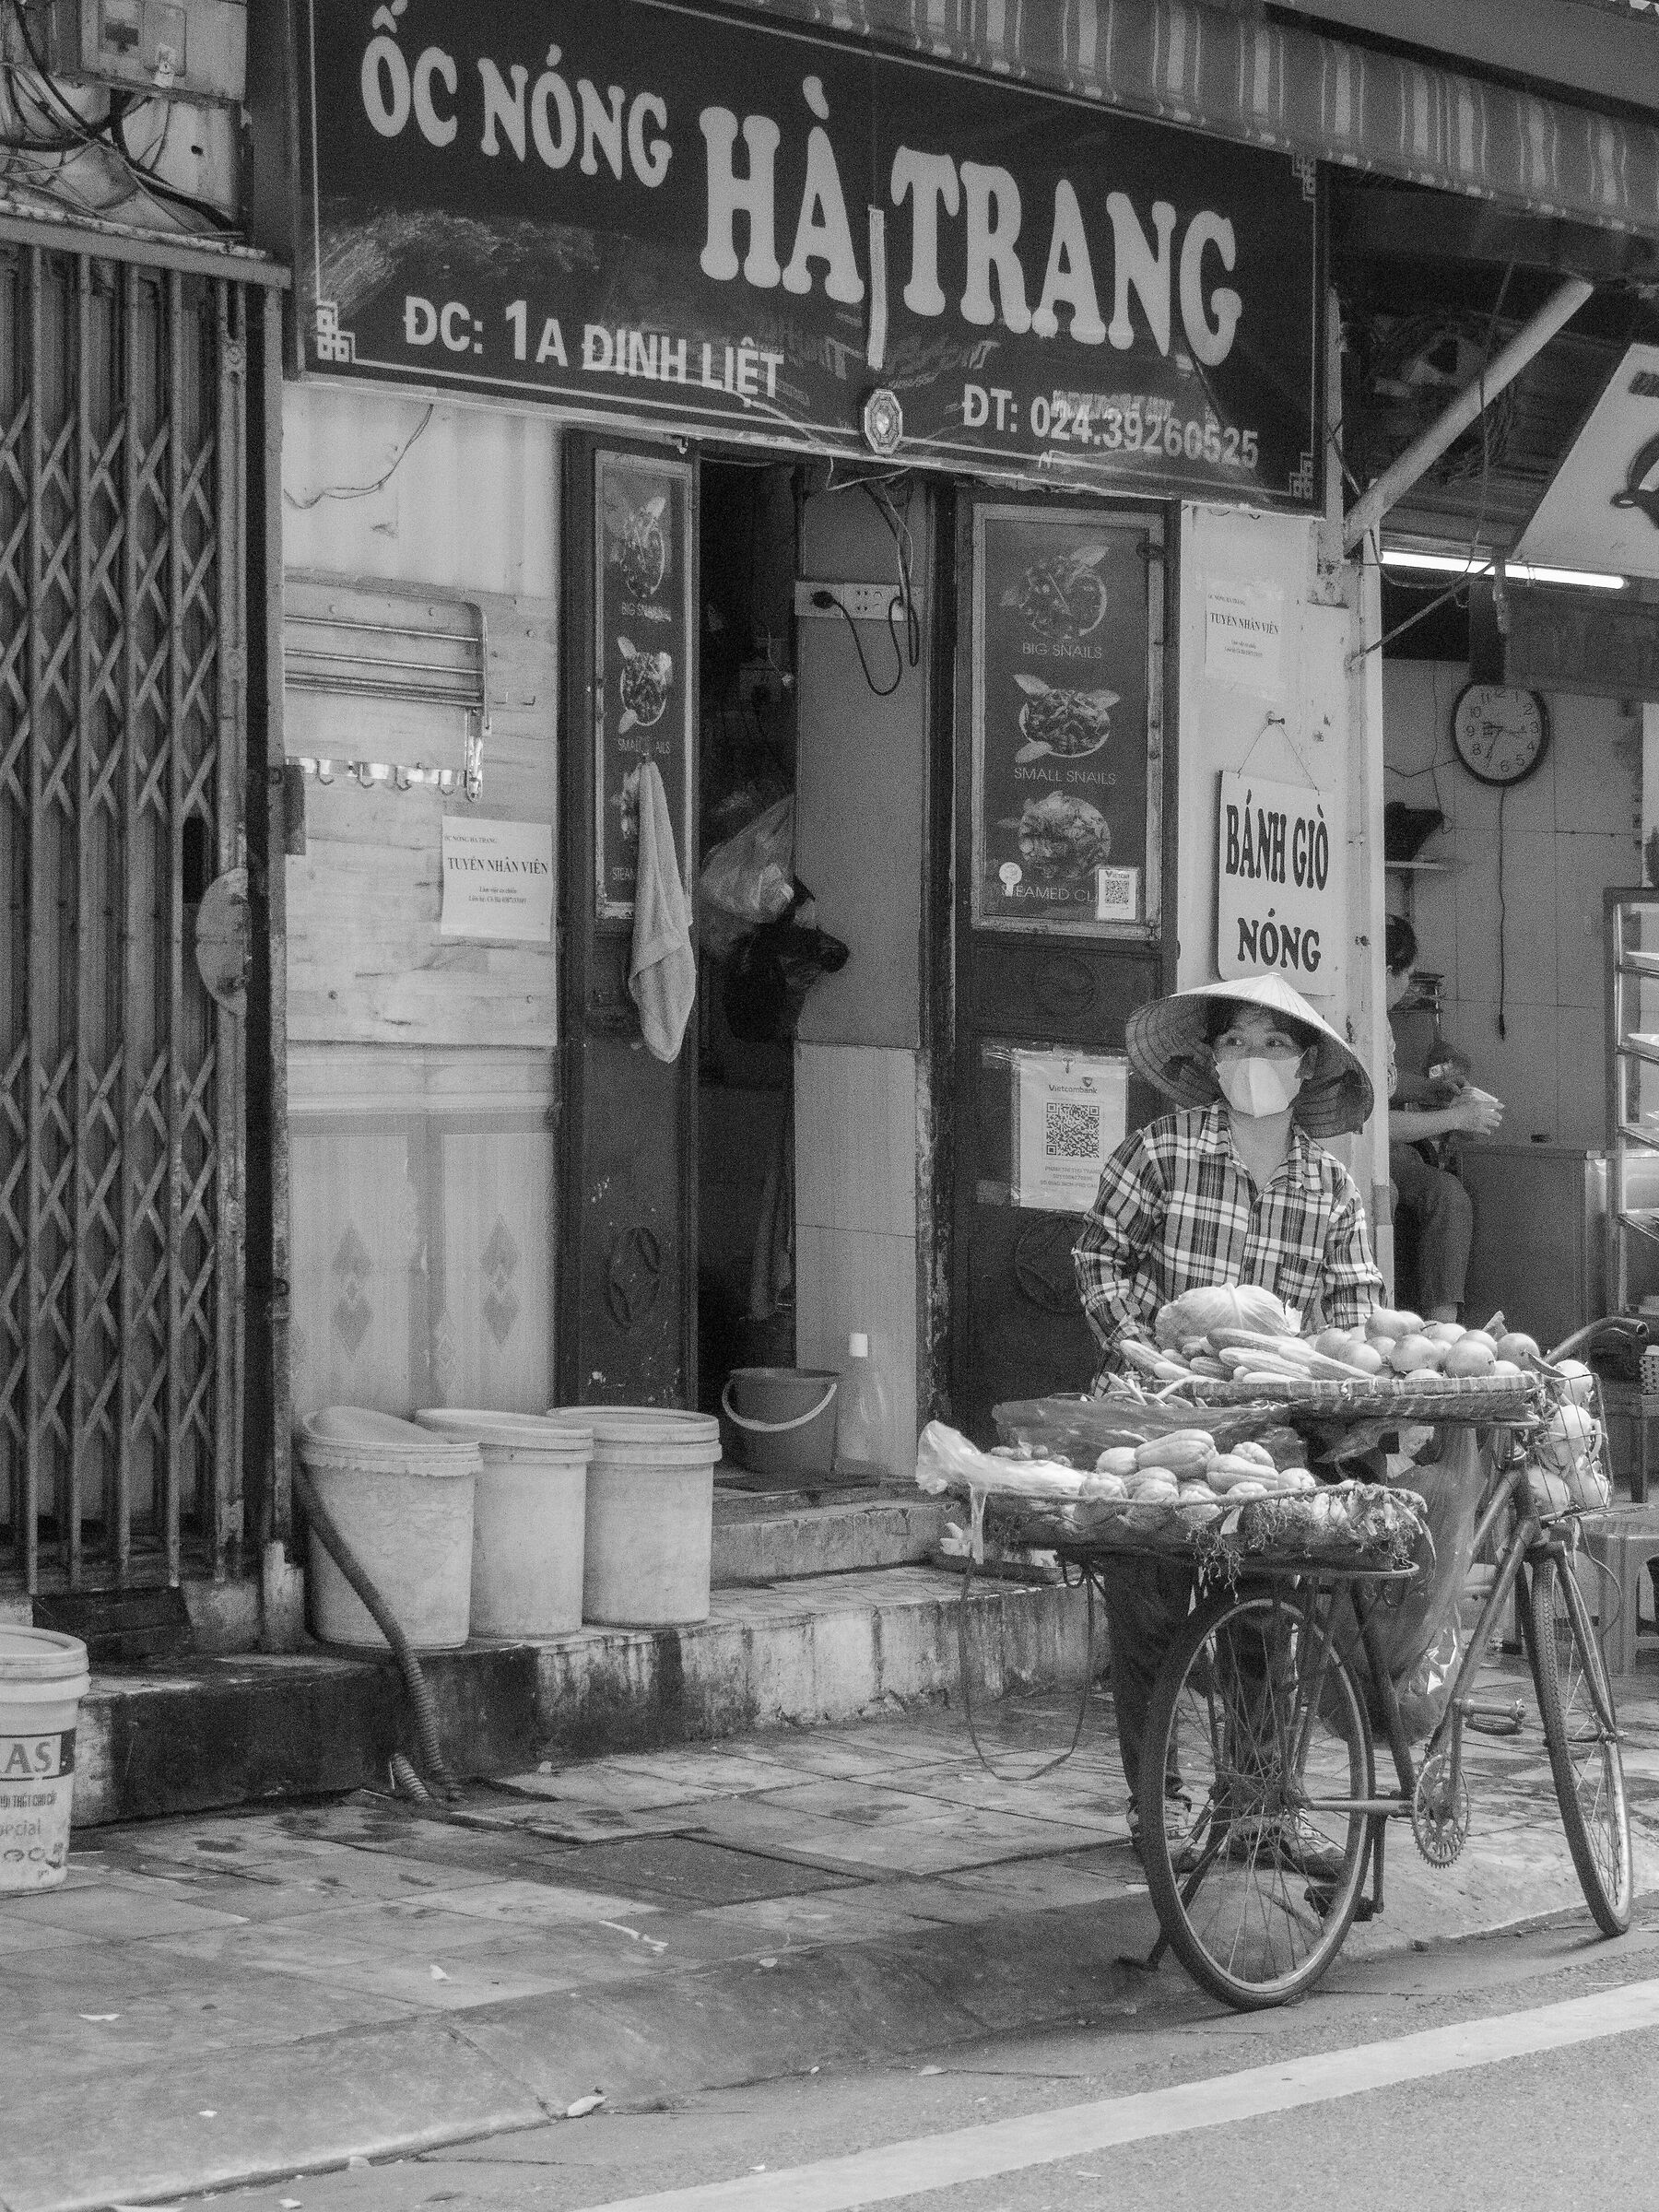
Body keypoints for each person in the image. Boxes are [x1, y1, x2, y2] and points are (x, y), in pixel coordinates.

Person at [1072, 973, 1382, 1862]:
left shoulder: (1329, 1187)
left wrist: (1317, 1365)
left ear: (1308, 1064)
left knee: (1262, 1612)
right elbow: (1099, 1259)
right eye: (1237, 1043)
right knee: (1151, 1608)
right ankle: (1154, 1807)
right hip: (1152, 1416)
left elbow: (1351, 1313)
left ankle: (1256, 1815)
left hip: (1270, 1435)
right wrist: (1152, 1350)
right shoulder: (1159, 1152)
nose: (1254, 1062)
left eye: (1274, 1046)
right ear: (1209, 1059)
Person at [1384, 915, 1503, 1324]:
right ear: (1386, 972)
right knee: (1388, 1199)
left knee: (1448, 1195)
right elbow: (1372, 1124)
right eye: (1408, 976)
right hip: (1357, 1153)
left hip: (1395, 1156)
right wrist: (1457, 1116)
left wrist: (1434, 1090)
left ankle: (1442, 1325)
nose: (1408, 986)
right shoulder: (1353, 1014)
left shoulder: (1380, 1018)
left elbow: (1383, 1084)